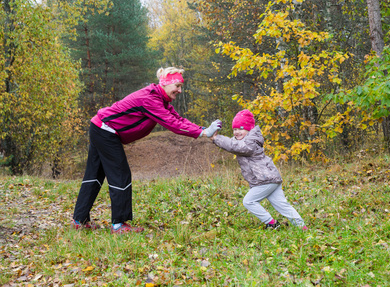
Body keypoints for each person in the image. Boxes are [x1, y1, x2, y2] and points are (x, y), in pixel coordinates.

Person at [71, 67, 222, 234]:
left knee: (95, 174)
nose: (179, 90)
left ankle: (79, 220)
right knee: (120, 174)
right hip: (105, 131)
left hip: (100, 127)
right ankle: (118, 225)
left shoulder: (159, 98)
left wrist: (203, 129)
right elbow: (171, 124)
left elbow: (177, 119)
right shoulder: (150, 99)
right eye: (177, 86)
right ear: (165, 84)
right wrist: (202, 133)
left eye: (181, 86)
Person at [211, 109, 307, 230]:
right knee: (282, 205)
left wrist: (217, 139)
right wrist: (210, 134)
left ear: (249, 129)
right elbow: (232, 144)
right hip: (270, 178)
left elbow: (235, 146)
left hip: (265, 179)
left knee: (248, 201)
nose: (237, 132)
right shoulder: (243, 140)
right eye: (234, 129)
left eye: (240, 129)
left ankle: (271, 223)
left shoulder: (251, 141)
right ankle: (302, 227)